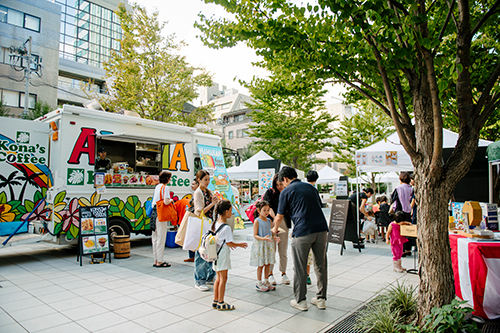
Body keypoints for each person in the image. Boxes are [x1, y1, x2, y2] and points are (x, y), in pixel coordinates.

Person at [272, 166, 329, 311]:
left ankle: (300, 300)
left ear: (284, 179)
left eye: (282, 182)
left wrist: (274, 229)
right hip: (321, 230)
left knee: (300, 267)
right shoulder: (311, 188)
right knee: (321, 265)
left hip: (303, 231)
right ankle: (321, 299)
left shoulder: (286, 191)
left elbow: (279, 216)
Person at [212, 200, 248, 310]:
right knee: (223, 278)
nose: (232, 213)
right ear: (226, 212)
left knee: (218, 278)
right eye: (231, 211)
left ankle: (215, 300)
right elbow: (229, 242)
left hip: (215, 253)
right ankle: (221, 302)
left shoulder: (215, 223)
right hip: (222, 254)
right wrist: (240, 245)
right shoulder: (226, 227)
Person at [193, 170, 219, 291]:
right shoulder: (198, 192)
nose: (208, 182)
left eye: (208, 179)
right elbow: (199, 211)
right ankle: (199, 280)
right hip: (202, 225)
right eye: (205, 180)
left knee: (209, 249)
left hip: (209, 224)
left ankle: (209, 276)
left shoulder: (206, 191)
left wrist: (215, 203)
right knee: (201, 251)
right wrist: (212, 204)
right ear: (199, 180)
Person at [263, 174, 291, 285]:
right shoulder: (270, 193)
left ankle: (283, 273)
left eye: (281, 184)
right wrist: (275, 219)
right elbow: (267, 207)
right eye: (277, 184)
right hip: (271, 223)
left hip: (284, 222)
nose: (280, 186)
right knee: (272, 249)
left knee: (283, 250)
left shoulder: (288, 192)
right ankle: (270, 273)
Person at [250, 200, 280, 292]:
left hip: (268, 244)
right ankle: (259, 282)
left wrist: (274, 237)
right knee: (261, 264)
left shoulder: (269, 221)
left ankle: (266, 280)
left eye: (268, 210)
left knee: (268, 264)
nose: (266, 212)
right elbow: (255, 235)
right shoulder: (257, 221)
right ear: (259, 211)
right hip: (260, 245)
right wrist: (263, 239)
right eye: (264, 210)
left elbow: (271, 233)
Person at [151, 170, 173, 268]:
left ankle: (156, 259)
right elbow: (166, 202)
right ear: (167, 179)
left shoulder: (157, 187)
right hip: (161, 213)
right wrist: (172, 200)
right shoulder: (166, 187)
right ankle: (160, 260)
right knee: (161, 236)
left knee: (155, 236)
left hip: (154, 212)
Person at [391, 172, 414, 256]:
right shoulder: (411, 188)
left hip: (399, 212)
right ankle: (408, 249)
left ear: (400, 179)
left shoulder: (398, 188)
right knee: (408, 230)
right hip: (408, 211)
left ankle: (402, 250)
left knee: (400, 231)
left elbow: (393, 198)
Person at [305, 170, 320, 285]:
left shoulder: (302, 189)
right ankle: (307, 275)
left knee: (303, 253)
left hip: (301, 225)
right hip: (314, 226)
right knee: (311, 254)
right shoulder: (314, 190)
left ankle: (304, 274)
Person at [182, 178, 199, 262]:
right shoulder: (195, 193)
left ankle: (193, 256)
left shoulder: (197, 193)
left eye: (193, 184)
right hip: (193, 216)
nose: (192, 186)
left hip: (195, 217)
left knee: (192, 235)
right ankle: (192, 256)